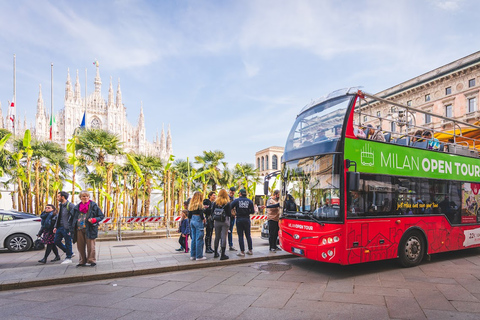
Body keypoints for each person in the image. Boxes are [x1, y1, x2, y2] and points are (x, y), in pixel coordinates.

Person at [71, 191, 105, 267]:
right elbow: (72, 218)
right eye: (83, 196)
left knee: (91, 246)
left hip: (90, 228)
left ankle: (91, 260)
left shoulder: (93, 205)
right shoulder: (76, 207)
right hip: (79, 229)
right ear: (80, 198)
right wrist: (71, 229)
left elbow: (101, 216)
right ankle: (82, 261)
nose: (85, 198)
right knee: (80, 246)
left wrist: (94, 220)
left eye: (87, 196)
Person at [231, 188, 254, 256]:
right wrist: (247, 211)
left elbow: (230, 206)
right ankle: (250, 250)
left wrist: (235, 211)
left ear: (240, 194)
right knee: (248, 235)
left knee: (240, 236)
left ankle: (242, 252)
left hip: (239, 219)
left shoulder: (237, 200)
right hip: (247, 219)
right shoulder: (250, 201)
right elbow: (252, 211)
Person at [53, 191, 75, 264]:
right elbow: (59, 217)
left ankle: (68, 257)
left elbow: (75, 216)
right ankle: (70, 252)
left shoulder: (70, 205)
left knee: (68, 242)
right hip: (60, 227)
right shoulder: (61, 205)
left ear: (63, 197)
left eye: (58, 196)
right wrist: (56, 226)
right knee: (56, 241)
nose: (57, 198)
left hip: (67, 228)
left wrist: (71, 227)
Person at [212, 189, 232, 260]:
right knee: (224, 237)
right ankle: (223, 254)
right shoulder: (227, 203)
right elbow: (229, 214)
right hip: (225, 221)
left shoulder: (215, 203)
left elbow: (212, 212)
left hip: (217, 221)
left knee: (217, 236)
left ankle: (215, 252)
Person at [188, 191, 207, 261]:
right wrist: (203, 219)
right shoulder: (200, 205)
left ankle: (193, 255)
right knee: (199, 238)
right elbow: (201, 214)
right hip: (198, 220)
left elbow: (189, 215)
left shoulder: (191, 205)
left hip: (192, 220)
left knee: (194, 238)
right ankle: (199, 256)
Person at [227, 187, 237, 251]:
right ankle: (222, 246)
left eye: (233, 192)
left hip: (232, 217)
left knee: (230, 231)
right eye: (231, 191)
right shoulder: (226, 198)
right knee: (224, 232)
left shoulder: (234, 199)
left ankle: (231, 245)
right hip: (226, 217)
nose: (232, 193)